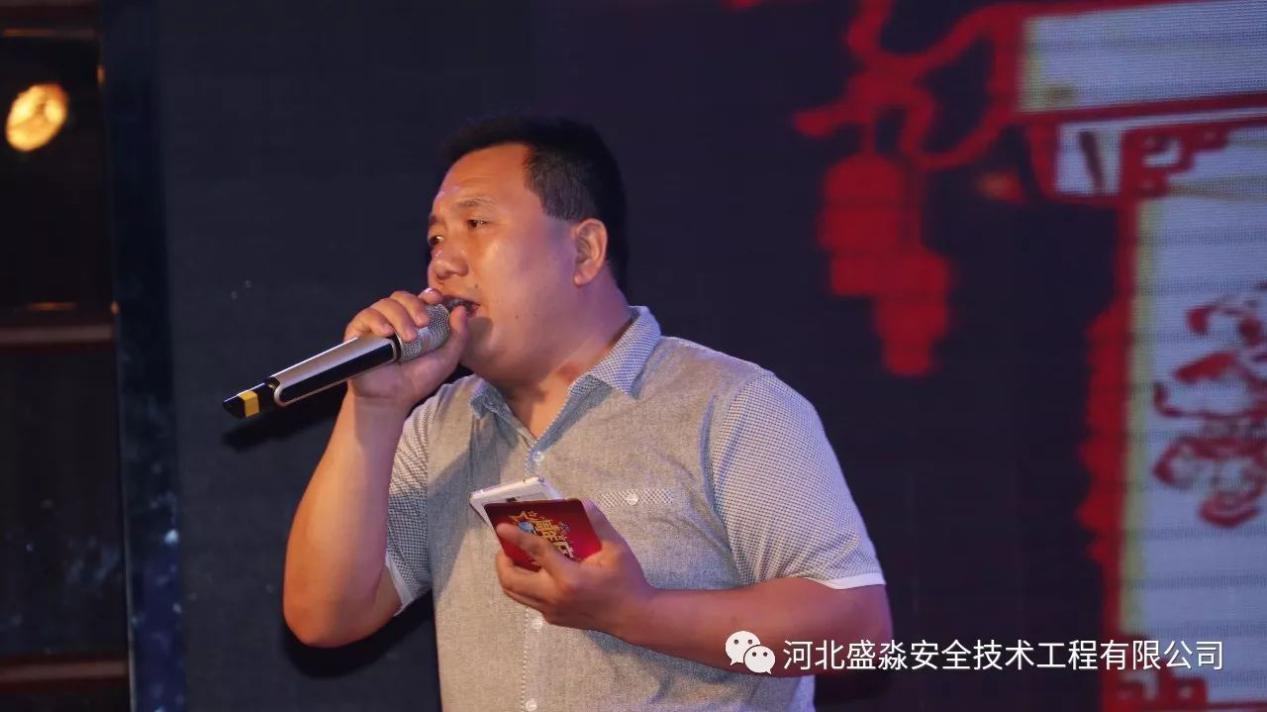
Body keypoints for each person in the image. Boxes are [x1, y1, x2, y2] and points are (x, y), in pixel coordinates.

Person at [282, 117, 891, 710]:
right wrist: (375, 406)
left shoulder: (730, 404)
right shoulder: (437, 427)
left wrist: (638, 613)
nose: (443, 263)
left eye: (476, 223)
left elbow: (857, 634)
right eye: (437, 238)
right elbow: (324, 617)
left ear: (583, 251)